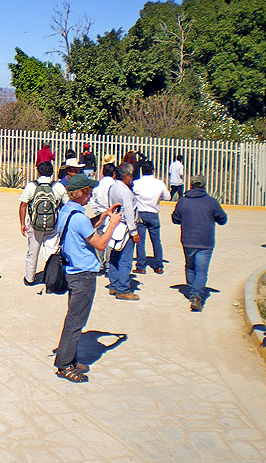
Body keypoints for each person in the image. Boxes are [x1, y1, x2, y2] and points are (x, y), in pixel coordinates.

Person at [53, 174, 122, 383]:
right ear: (81, 193)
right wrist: (113, 224)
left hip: (72, 272)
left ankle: (70, 358)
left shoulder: (67, 212)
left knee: (74, 318)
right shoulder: (80, 217)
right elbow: (100, 244)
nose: (91, 194)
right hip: (83, 275)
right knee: (75, 321)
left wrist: (103, 217)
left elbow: (82, 228)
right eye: (88, 191)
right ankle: (64, 365)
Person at [171, 174, 228, 312]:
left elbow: (175, 218)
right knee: (201, 270)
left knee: (190, 267)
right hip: (205, 241)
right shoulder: (211, 202)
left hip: (188, 240)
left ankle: (193, 292)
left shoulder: (183, 201)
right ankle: (196, 295)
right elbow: (222, 219)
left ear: (190, 186)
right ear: (204, 186)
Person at [19, 161, 68, 286]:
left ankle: (29, 278)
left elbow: (23, 205)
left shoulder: (31, 186)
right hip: (53, 224)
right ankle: (51, 279)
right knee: (51, 252)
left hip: (35, 225)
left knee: (32, 252)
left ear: (38, 172)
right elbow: (66, 205)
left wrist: (22, 223)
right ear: (52, 172)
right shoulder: (58, 187)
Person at [108, 163, 141, 300]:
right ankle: (123, 288)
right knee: (125, 259)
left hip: (115, 224)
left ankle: (114, 284)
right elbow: (129, 212)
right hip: (125, 227)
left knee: (114, 256)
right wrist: (134, 232)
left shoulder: (113, 187)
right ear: (126, 176)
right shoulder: (125, 191)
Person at [132, 161, 170, 275]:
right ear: (153, 170)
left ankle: (141, 265)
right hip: (154, 212)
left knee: (140, 241)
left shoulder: (136, 183)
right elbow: (167, 197)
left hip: (141, 213)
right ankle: (158, 266)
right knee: (156, 240)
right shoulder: (159, 183)